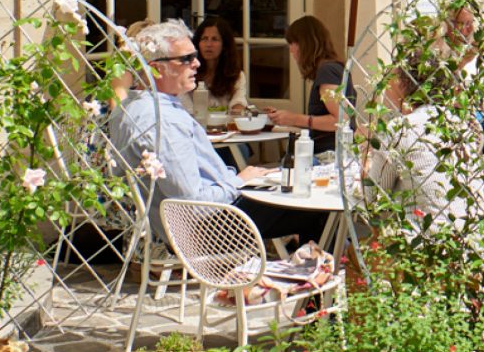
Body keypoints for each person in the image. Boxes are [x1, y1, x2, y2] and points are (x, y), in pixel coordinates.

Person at [119, 21, 328, 242]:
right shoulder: (163, 121)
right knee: (316, 206)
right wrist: (239, 181)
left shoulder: (134, 107)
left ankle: (311, 269)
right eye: (186, 59)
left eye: (195, 56)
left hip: (199, 220)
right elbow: (192, 202)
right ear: (157, 68)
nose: (196, 64)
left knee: (294, 181)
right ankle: (319, 272)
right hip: (209, 229)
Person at [262, 16, 352, 154]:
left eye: (293, 43)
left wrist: (295, 118)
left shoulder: (327, 71)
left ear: (305, 44)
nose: (291, 50)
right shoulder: (333, 69)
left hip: (328, 156)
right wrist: (284, 118)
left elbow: (340, 120)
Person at [187, 15, 247, 119]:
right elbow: (186, 110)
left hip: (224, 129)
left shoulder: (236, 75)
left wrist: (239, 112)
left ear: (224, 45)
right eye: (204, 39)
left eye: (215, 39)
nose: (208, 44)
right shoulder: (188, 73)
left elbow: (238, 104)